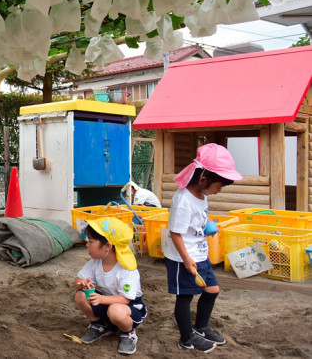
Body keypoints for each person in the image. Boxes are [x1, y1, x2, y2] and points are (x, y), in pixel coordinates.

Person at [164, 143, 240, 353]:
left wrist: (206, 226)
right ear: (203, 179)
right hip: (183, 257)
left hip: (199, 252)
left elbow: (195, 221)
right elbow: (176, 232)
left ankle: (202, 326)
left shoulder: (202, 194)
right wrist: (187, 259)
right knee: (185, 297)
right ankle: (187, 338)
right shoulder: (183, 200)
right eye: (219, 186)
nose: (218, 191)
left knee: (212, 290)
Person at [73, 218, 147, 355]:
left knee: (115, 311)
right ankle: (99, 325)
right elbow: (77, 280)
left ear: (107, 246)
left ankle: (128, 333)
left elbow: (125, 299)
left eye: (91, 241)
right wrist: (81, 283)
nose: (87, 245)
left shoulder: (126, 269)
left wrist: (101, 300)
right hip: (108, 301)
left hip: (129, 307)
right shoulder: (95, 262)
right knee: (80, 294)